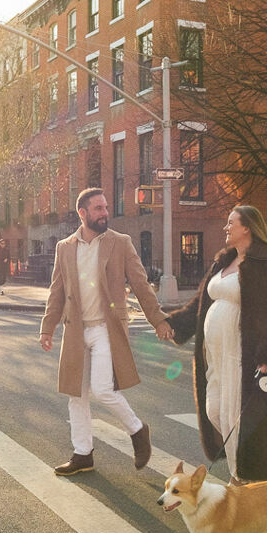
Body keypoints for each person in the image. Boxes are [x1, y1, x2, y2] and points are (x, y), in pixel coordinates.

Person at [40, 188, 175, 475]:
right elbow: (57, 290)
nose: (104, 213)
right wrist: (47, 328)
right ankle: (82, 453)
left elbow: (140, 284)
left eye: (105, 207)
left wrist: (159, 319)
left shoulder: (120, 243)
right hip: (76, 331)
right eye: (98, 208)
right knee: (76, 394)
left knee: (102, 389)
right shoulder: (65, 247)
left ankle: (138, 430)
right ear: (83, 213)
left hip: (106, 328)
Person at [166, 205, 267, 483]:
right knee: (215, 410)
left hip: (242, 354)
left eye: (230, 223)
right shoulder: (223, 262)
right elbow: (199, 304)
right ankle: (248, 472)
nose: (226, 228)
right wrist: (172, 324)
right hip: (215, 355)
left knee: (238, 416)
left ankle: (240, 479)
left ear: (246, 227)